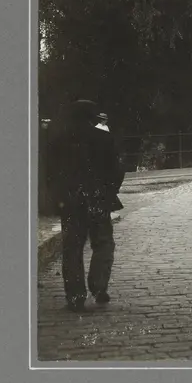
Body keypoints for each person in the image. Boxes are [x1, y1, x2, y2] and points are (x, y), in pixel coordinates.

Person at [46, 99, 124, 312]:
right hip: (98, 198)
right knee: (104, 243)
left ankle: (75, 296)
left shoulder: (58, 140)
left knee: (72, 248)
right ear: (92, 117)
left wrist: (56, 197)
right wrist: (110, 191)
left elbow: (49, 173)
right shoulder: (104, 138)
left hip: (70, 201)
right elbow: (117, 170)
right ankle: (98, 286)